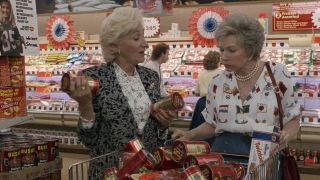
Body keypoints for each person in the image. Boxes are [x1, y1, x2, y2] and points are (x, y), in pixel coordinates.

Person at [172, 13, 300, 165]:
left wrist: (286, 135)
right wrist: (189, 134)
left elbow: (293, 119)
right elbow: (212, 124)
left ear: (251, 49)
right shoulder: (218, 82)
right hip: (223, 159)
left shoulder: (277, 74)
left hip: (264, 160)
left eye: (231, 50)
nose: (223, 56)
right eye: (222, 49)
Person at [66, 7, 176, 179]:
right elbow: (89, 140)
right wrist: (85, 105)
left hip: (147, 173)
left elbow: (155, 135)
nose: (145, 44)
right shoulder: (93, 78)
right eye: (136, 38)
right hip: (110, 173)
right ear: (114, 45)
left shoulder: (150, 77)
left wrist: (163, 126)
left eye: (143, 36)